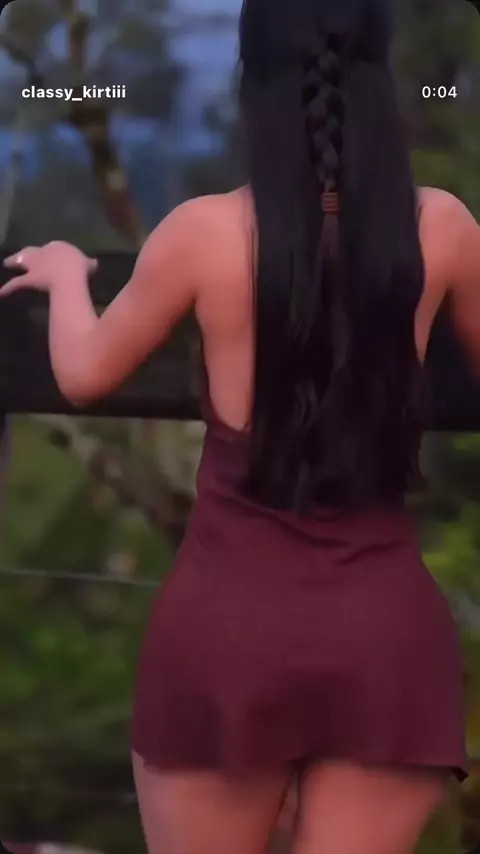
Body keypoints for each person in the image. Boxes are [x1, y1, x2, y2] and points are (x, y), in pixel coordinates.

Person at [2, 0, 480, 850]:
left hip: (226, 638)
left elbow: (82, 376)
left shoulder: (203, 233)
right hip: (384, 644)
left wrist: (69, 276)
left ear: (254, 83)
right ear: (378, 78)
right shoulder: (443, 228)